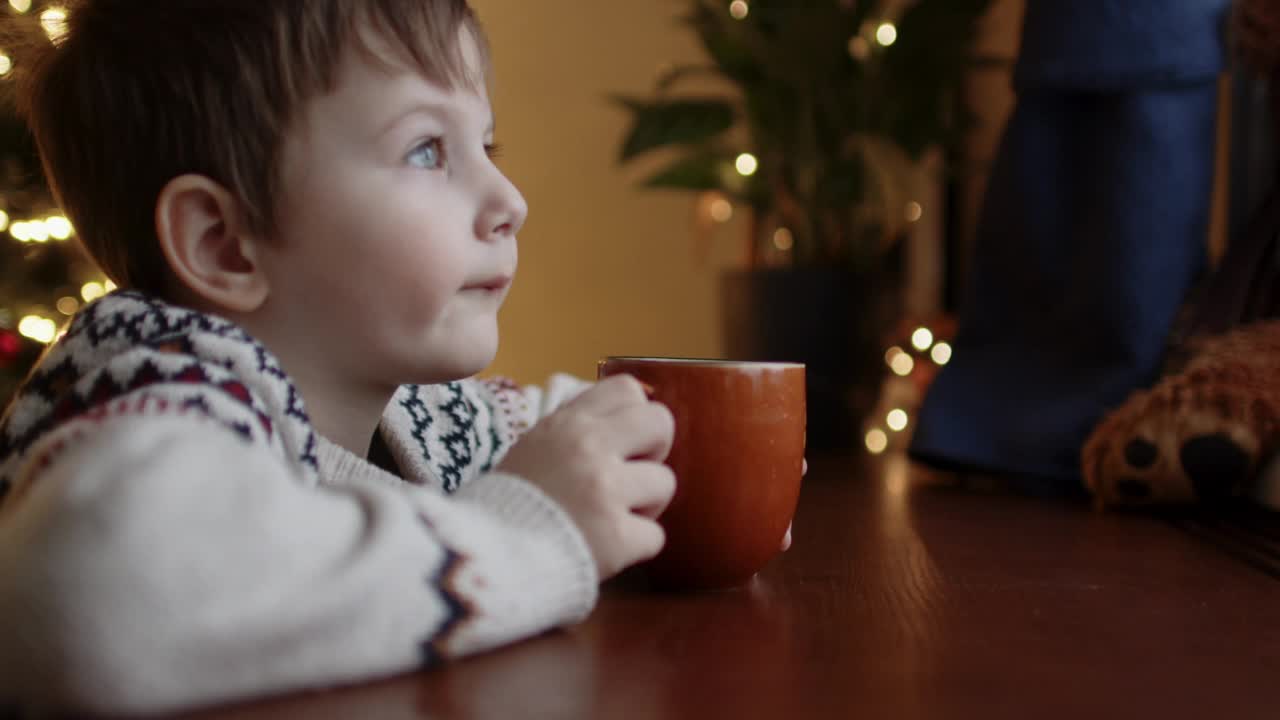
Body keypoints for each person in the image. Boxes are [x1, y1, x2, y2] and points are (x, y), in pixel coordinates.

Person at [0, 1, 717, 714]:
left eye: (487, 147)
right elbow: (94, 585)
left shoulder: (417, 413)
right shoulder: (157, 388)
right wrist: (526, 531)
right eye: (427, 149)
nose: (510, 201)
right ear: (223, 241)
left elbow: (557, 442)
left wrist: (703, 453)